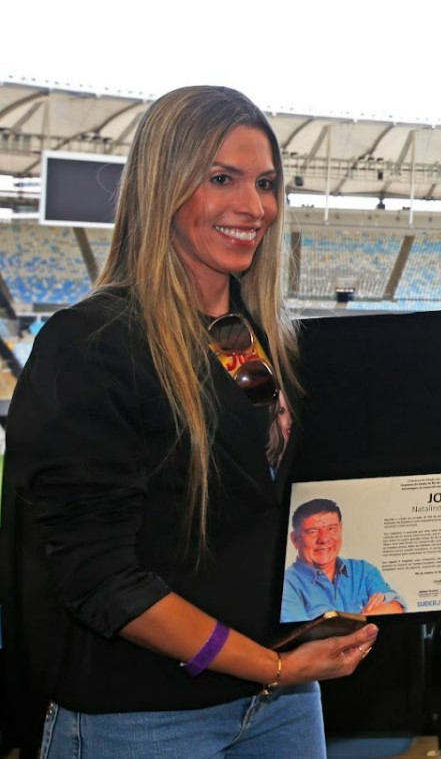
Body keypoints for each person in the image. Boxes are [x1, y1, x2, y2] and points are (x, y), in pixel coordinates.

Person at [0, 86, 379, 757]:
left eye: (265, 183)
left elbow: (272, 488)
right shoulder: (90, 346)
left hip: (277, 705)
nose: (253, 206)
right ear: (162, 187)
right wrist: (275, 669)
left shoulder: (240, 340)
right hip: (142, 715)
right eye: (221, 179)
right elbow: (100, 578)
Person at [282, 498, 405, 622]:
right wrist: (366, 616)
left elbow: (395, 608)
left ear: (341, 529)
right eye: (313, 531)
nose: (324, 539)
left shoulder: (363, 571)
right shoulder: (287, 584)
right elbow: (302, 636)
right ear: (294, 539)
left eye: (331, 529)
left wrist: (334, 624)